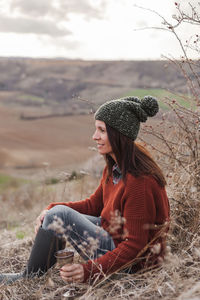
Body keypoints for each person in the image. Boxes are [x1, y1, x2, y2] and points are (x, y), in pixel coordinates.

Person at [0, 96, 170, 284]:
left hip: (132, 267)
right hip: (114, 242)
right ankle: (34, 276)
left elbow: (135, 246)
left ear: (119, 134)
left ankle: (28, 278)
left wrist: (88, 271)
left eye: (101, 130)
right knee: (56, 213)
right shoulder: (115, 167)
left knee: (60, 215)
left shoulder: (140, 181)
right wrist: (50, 208)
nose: (94, 136)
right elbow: (94, 205)